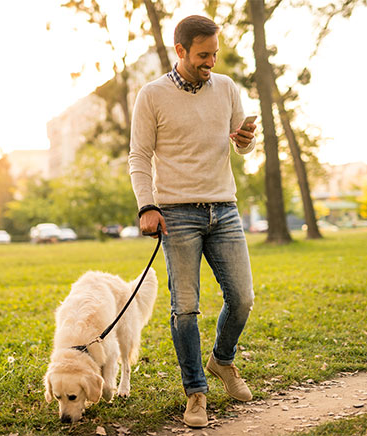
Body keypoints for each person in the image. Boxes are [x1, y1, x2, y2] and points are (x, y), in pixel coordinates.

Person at [127, 14, 259, 429]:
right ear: (180, 50)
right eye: (203, 55)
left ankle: (222, 361)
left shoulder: (226, 88)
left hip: (225, 208)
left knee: (242, 299)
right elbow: (138, 156)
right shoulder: (152, 95)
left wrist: (246, 141)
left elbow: (242, 148)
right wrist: (147, 206)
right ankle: (196, 392)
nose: (211, 62)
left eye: (215, 54)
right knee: (185, 309)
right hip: (177, 214)